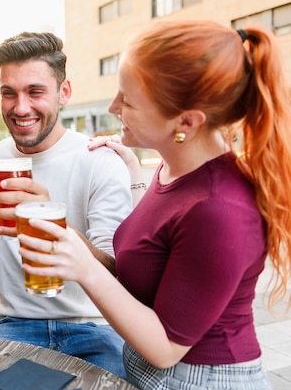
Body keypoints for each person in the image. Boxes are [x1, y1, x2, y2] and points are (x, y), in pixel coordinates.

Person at [17, 20, 291, 389]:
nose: (114, 106)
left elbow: (166, 347)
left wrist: (85, 270)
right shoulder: (172, 168)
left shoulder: (218, 208)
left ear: (186, 122)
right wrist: (72, 241)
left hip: (200, 380)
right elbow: (147, 274)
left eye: (128, 100)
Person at [0, 31, 131, 379]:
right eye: (8, 93)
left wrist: (53, 221)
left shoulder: (98, 160)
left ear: (64, 93)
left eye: (35, 92)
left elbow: (118, 270)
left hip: (93, 326)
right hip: (14, 324)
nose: (20, 107)